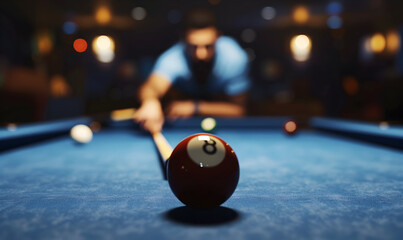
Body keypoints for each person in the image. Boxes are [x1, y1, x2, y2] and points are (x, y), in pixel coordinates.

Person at [134, 9, 251, 133]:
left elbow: (239, 110)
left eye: (208, 46)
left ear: (218, 38)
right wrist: (150, 102)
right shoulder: (172, 59)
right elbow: (151, 88)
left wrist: (194, 107)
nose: (201, 54)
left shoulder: (235, 58)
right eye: (193, 47)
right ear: (183, 41)